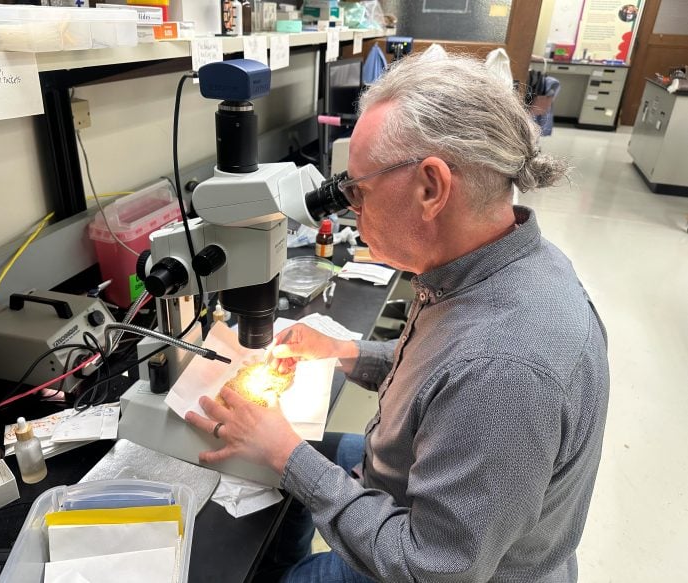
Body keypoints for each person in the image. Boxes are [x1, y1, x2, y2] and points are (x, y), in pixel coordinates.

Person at [185, 54, 610, 582]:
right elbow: (443, 374)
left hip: (430, 563)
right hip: (419, 484)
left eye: (358, 191)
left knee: (281, 477)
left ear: (431, 188)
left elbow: (434, 569)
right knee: (292, 457)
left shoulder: (505, 369)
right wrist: (345, 353)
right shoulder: (496, 262)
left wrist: (287, 457)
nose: (351, 210)